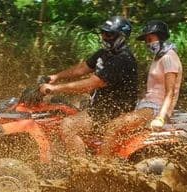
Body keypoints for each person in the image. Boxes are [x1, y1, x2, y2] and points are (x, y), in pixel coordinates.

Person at [37, 16, 139, 157]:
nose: (104, 37)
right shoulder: (104, 54)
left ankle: (83, 171)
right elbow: (81, 68)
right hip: (99, 107)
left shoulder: (123, 59)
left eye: (108, 34)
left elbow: (92, 83)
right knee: (60, 111)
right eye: (103, 33)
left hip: (113, 112)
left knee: (68, 125)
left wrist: (55, 88)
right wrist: (56, 76)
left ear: (121, 37)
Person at [99, 20, 183, 158]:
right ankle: (114, 158)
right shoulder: (159, 57)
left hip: (155, 107)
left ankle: (99, 166)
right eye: (146, 41)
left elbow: (170, 92)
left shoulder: (169, 58)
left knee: (114, 126)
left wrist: (161, 117)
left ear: (160, 37)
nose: (148, 43)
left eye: (150, 39)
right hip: (146, 104)